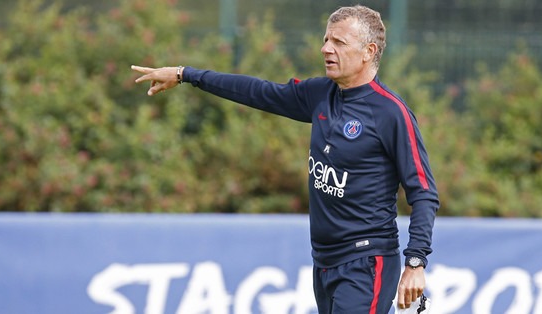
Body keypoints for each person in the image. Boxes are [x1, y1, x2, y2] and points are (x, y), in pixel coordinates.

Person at [132, 5, 439, 314]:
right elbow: (256, 91)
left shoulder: (390, 113)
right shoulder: (320, 94)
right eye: (326, 40)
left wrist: (415, 261)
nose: (326, 49)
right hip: (324, 262)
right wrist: (187, 74)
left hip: (367, 263)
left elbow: (424, 192)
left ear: (368, 51)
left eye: (339, 43)